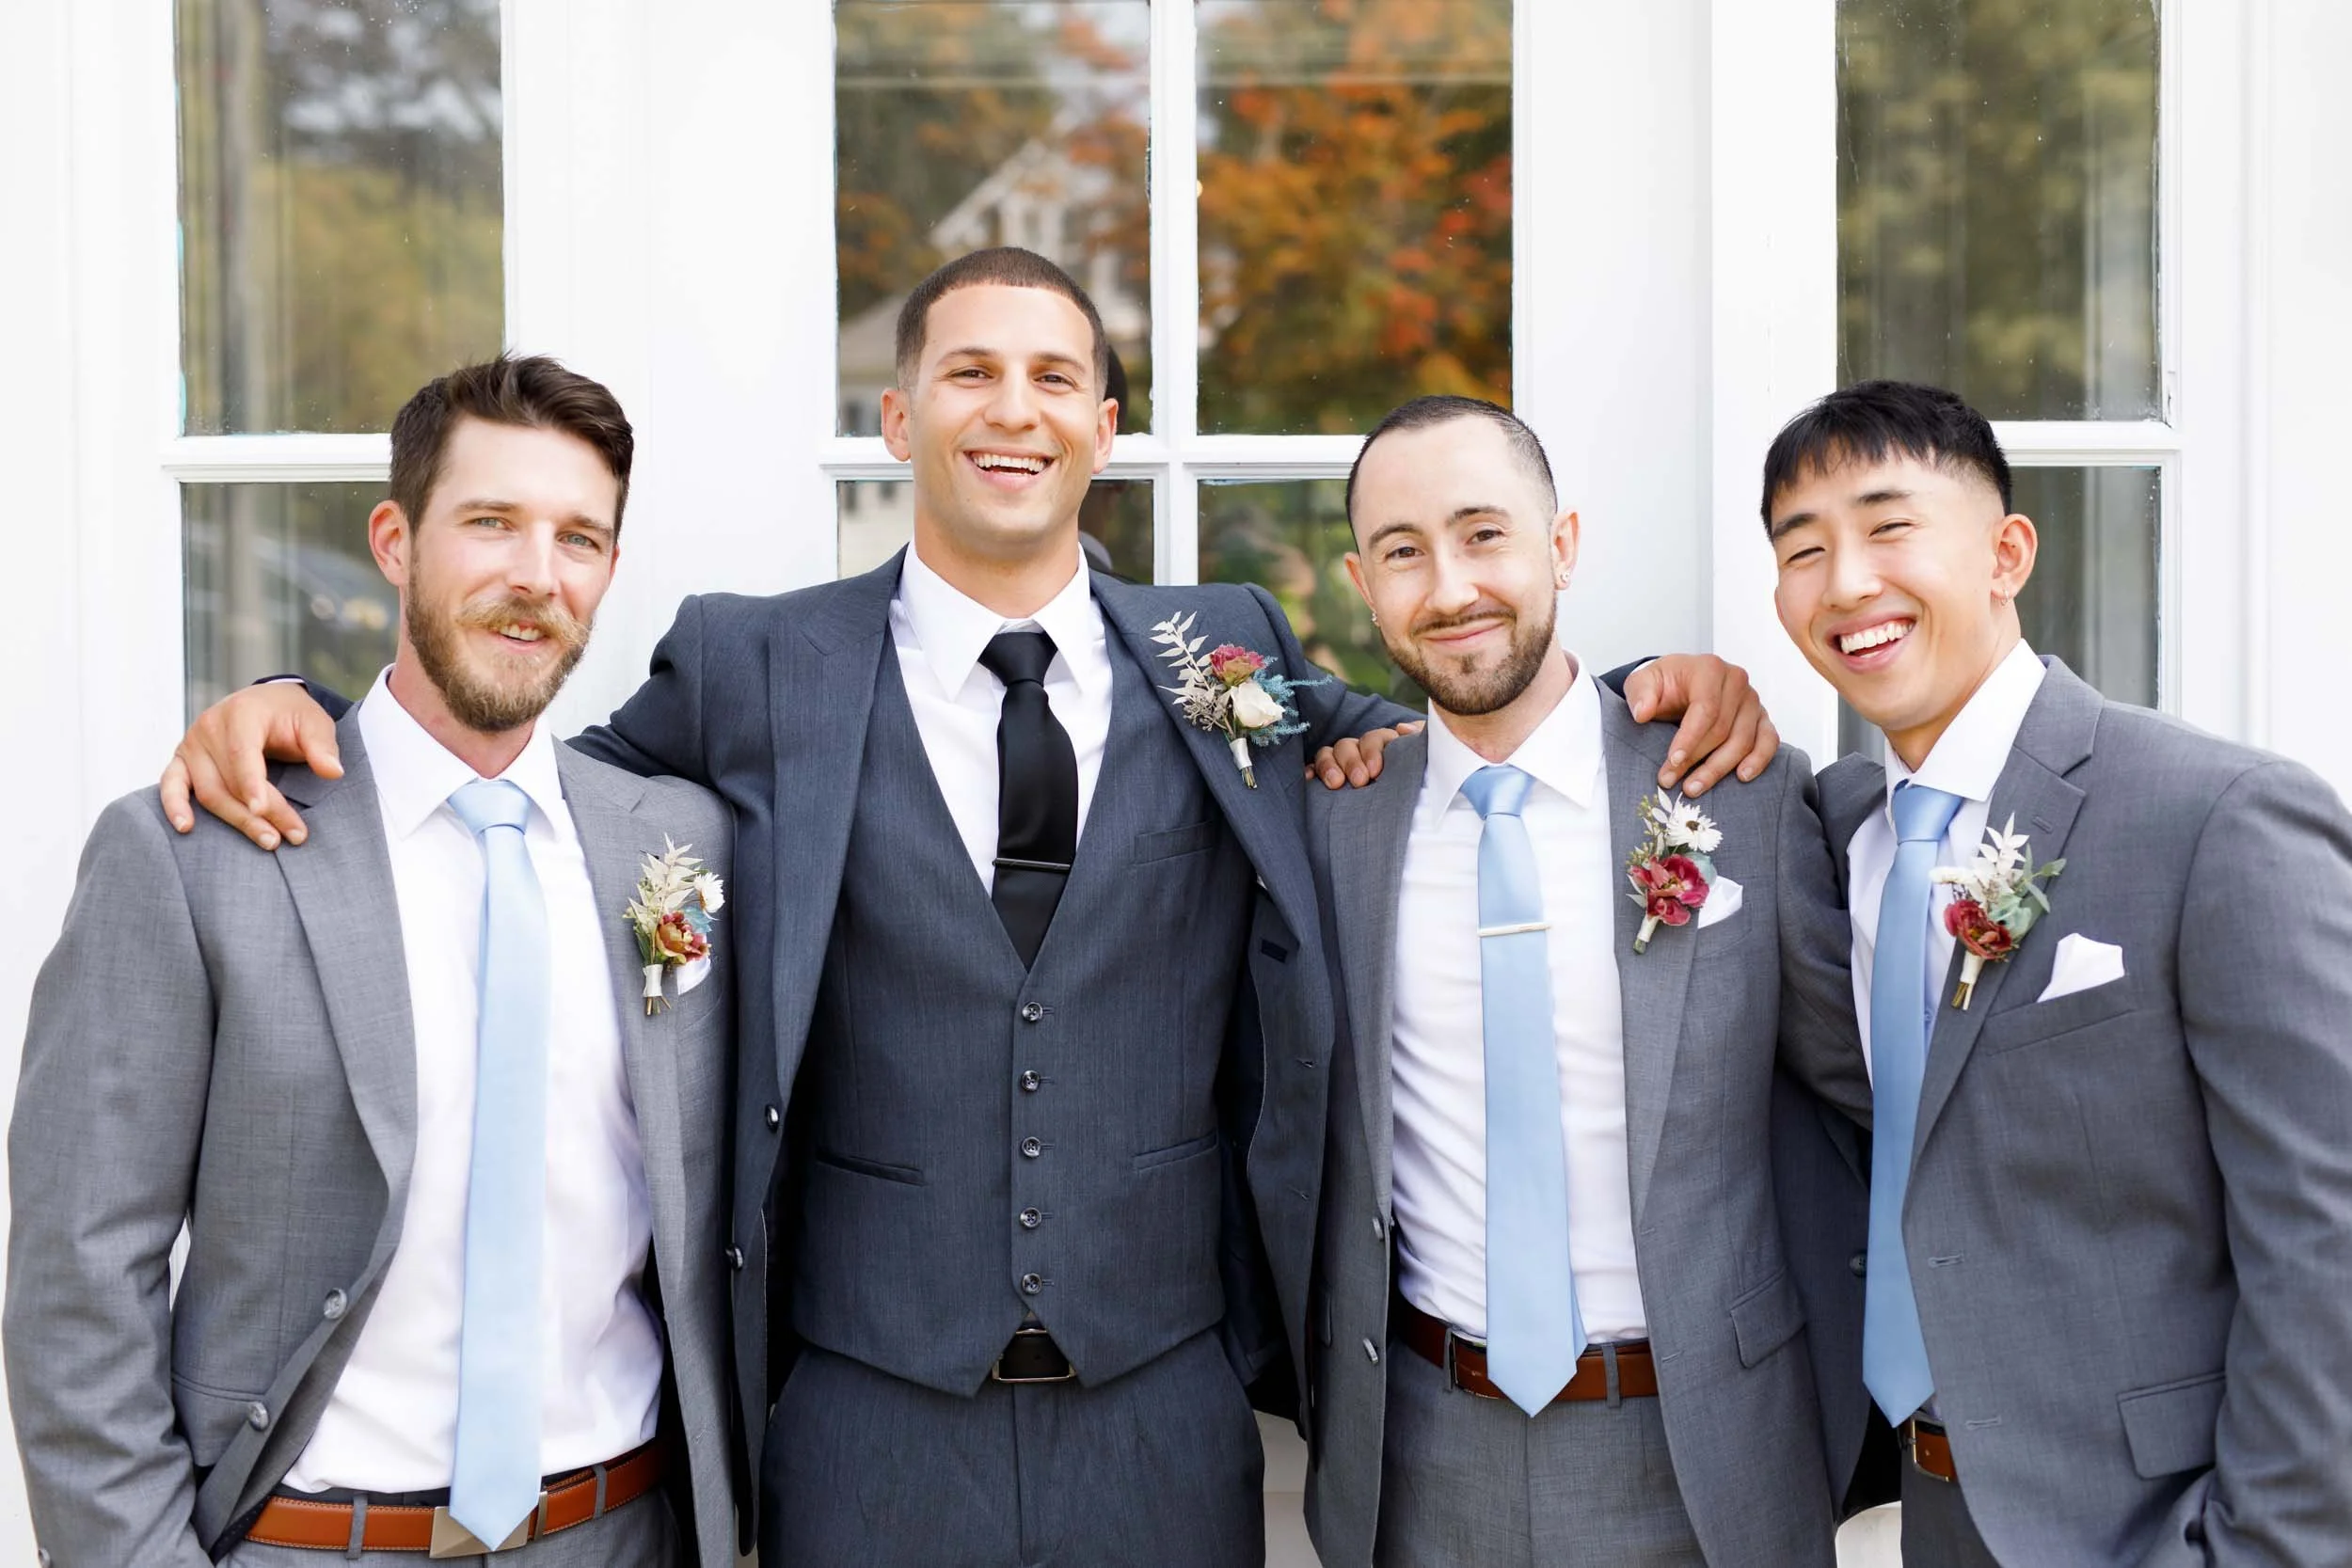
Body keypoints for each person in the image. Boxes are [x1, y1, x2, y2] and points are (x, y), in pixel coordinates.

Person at [155, 248, 1779, 1565]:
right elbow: (519, 777)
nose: (1015, 409)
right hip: (865, 1429)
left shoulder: (1226, 650)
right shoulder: (753, 660)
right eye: (972, 372)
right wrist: (303, 719)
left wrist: (1651, 692)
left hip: (1165, 1420)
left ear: (1107, 425)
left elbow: (1462, 720)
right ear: (898, 412)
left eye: (1056, 375)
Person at [7, 356, 739, 1566]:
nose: (533, 577)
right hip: (311, 1539)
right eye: (490, 522)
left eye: (578, 539)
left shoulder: (676, 847)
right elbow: (80, 1275)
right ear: (395, 539)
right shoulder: (192, 856)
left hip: (621, 1532)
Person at [1765, 379, 2352, 1565]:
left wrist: (2264, 1547)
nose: (1845, 584)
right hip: (1924, 1511)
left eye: (1888, 527)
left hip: (2155, 1525)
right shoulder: (1834, 835)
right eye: (1801, 549)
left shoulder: (2217, 815)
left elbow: (2324, 1238)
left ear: (2005, 552)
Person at [1299, 395, 1871, 1567]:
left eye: (1484, 534)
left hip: (1704, 1448)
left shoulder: (1741, 795)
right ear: (1363, 584)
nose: (1450, 586)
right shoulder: (1331, 825)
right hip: (1419, 1449)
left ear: (1561, 543)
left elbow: (1875, 1096)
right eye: (1404, 553)